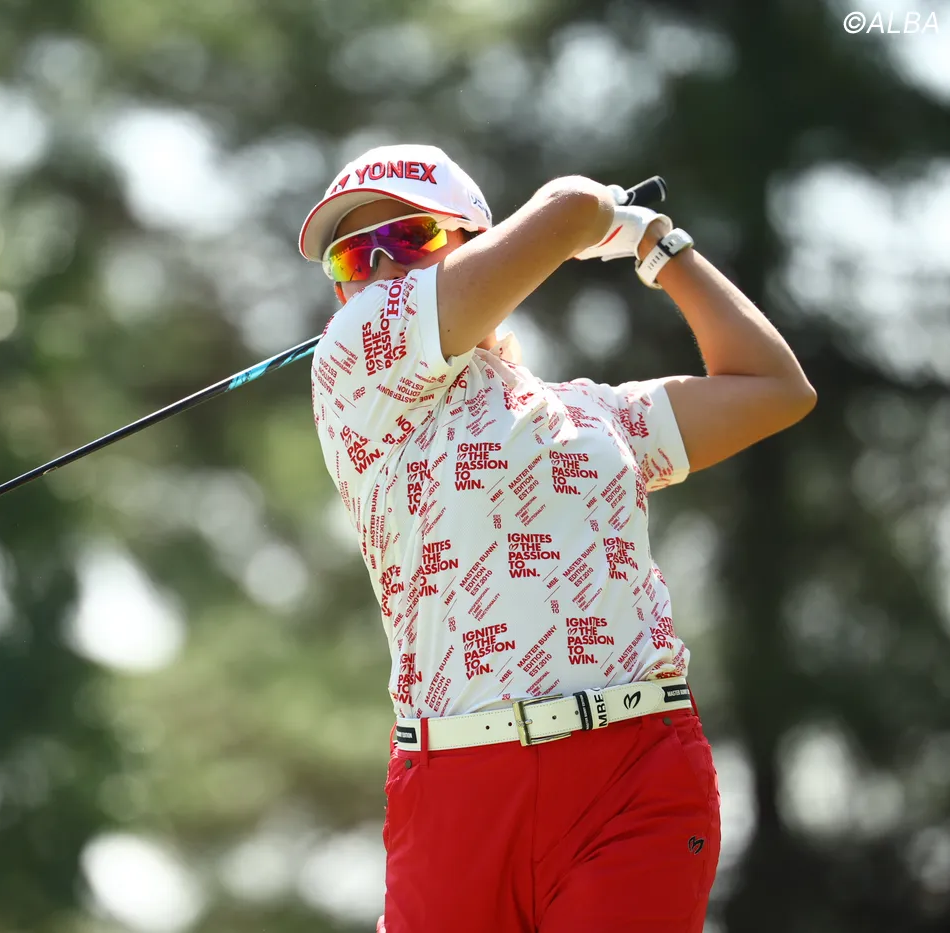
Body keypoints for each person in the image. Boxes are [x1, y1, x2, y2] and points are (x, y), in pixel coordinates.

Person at [298, 144, 816, 933]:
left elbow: (775, 388)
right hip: (456, 792)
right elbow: (572, 205)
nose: (381, 269)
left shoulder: (593, 415)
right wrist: (590, 220)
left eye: (409, 237)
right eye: (351, 258)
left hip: (634, 774)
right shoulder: (352, 361)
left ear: (475, 241)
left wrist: (659, 245)